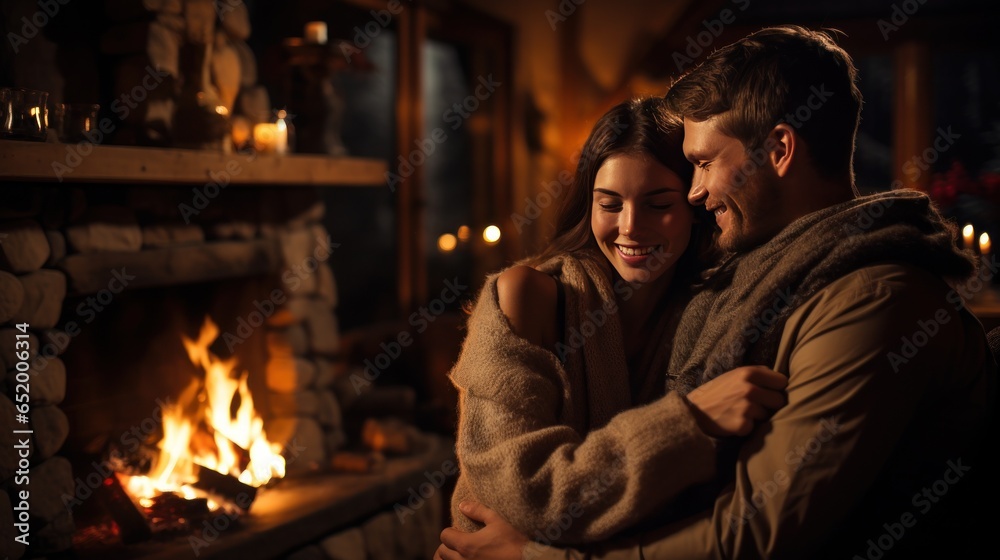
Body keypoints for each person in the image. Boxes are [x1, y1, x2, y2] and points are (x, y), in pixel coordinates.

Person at [436, 25, 996, 559]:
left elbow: (755, 536)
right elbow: (517, 489)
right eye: (610, 202)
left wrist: (540, 557)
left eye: (701, 166)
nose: (698, 191)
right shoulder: (732, 285)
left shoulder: (872, 296)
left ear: (779, 149)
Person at [447, 97, 789, 546]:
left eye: (657, 204)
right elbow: (524, 494)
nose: (630, 227)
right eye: (610, 204)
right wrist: (691, 419)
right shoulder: (524, 295)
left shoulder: (707, 313)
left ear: (693, 204)